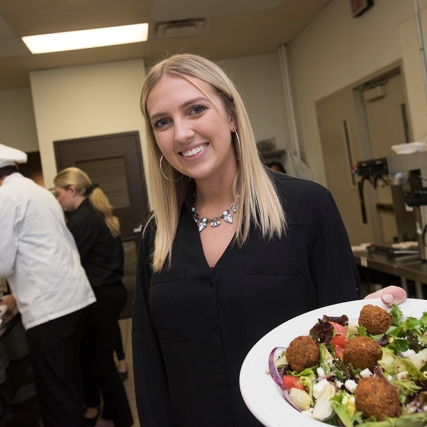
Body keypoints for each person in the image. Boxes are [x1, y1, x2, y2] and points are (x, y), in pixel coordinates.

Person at [131, 54, 407, 427]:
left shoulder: (308, 208)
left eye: (195, 109)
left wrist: (372, 326)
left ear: (231, 116)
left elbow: (341, 338)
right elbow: (149, 367)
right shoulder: (155, 235)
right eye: (162, 122)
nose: (180, 133)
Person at [0, 144, 96, 427]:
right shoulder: (40, 192)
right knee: (69, 379)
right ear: (15, 168)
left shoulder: (5, 197)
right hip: (74, 298)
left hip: (50, 307)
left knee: (55, 390)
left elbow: (3, 262)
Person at [53, 167, 133, 427]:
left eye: (58, 194)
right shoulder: (94, 213)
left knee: (101, 363)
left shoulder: (81, 220)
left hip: (100, 297)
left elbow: (68, 261)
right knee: (97, 358)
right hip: (109, 293)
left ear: (71, 191)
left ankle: (123, 418)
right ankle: (109, 411)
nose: (57, 200)